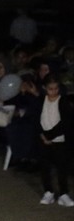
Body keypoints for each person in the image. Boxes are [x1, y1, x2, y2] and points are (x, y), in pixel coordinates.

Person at [36, 75, 73, 206]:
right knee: (44, 166)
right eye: (50, 88)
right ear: (45, 88)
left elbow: (66, 122)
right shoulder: (41, 100)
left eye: (56, 88)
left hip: (59, 140)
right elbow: (36, 119)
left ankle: (63, 193)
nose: (53, 91)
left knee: (61, 168)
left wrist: (50, 136)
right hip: (43, 140)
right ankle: (48, 192)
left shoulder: (63, 101)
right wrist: (43, 136)